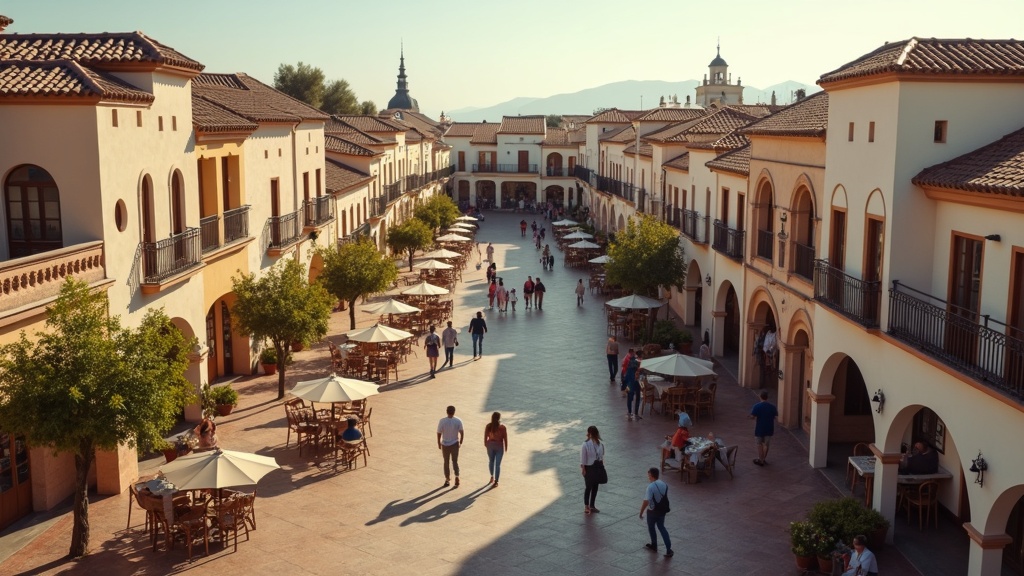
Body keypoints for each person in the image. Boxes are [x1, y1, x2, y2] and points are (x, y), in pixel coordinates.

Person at [639, 467, 673, 558]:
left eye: (648, 475)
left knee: (651, 527)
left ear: (651, 475)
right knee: (661, 527)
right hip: (662, 510)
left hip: (652, 511)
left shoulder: (650, 487)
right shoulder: (664, 484)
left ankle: (654, 545)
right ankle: (669, 549)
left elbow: (646, 501)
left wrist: (641, 512)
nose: (648, 477)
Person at [437, 406, 464, 487]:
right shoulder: (458, 421)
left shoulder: (442, 421)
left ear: (446, 411)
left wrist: (439, 443)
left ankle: (447, 479)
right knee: (455, 461)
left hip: (445, 444)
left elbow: (439, 433)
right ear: (454, 412)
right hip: (455, 443)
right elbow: (462, 432)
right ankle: (457, 477)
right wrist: (461, 441)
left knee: (446, 462)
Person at [580, 425, 605, 514]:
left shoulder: (600, 444)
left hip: (597, 467)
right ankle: (586, 506)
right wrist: (583, 469)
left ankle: (592, 505)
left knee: (595, 487)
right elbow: (583, 457)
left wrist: (602, 466)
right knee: (588, 487)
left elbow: (601, 457)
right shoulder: (586, 444)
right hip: (589, 467)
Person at [750, 390, 778, 466]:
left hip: (759, 428)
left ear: (760, 397)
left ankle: (760, 459)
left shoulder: (757, 406)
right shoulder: (772, 407)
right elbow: (776, 416)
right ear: (767, 397)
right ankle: (763, 459)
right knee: (766, 444)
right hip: (769, 427)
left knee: (759, 444)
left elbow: (752, 416)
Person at [484, 412, 508, 487]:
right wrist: (506, 447)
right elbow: (505, 438)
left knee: (491, 461)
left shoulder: (488, 426)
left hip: (490, 445)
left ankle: (492, 476)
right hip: (499, 446)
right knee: (498, 465)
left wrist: (486, 444)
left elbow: (485, 437)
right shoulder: (502, 427)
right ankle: (496, 481)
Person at [624, 351, 643, 420]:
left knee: (631, 398)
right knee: (635, 397)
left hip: (631, 382)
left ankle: (630, 412)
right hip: (633, 382)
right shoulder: (636, 363)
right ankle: (635, 413)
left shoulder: (632, 361)